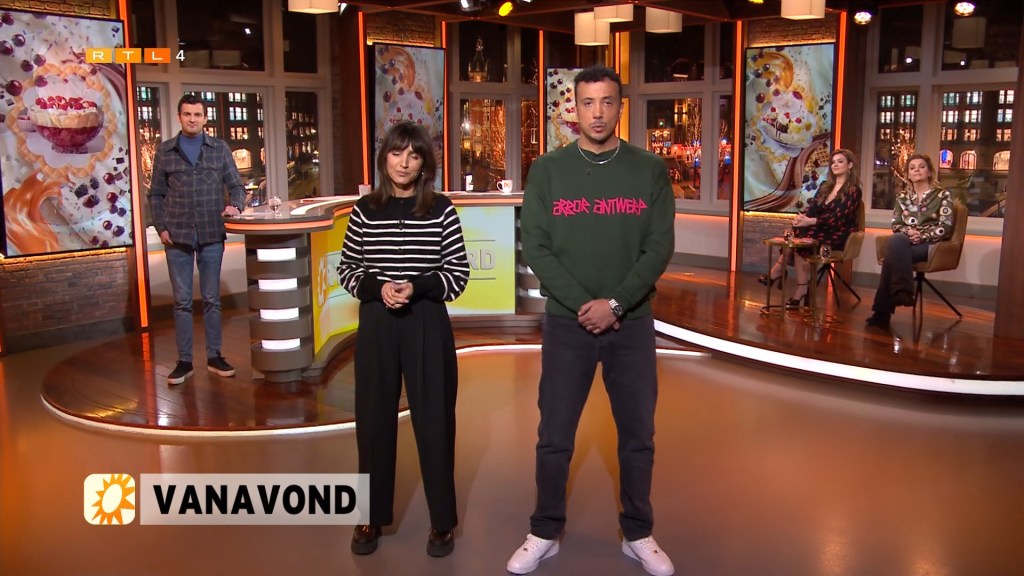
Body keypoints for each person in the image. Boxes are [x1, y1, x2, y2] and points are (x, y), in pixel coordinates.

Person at [506, 66, 676, 576]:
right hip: (567, 325)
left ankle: (638, 533)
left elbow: (659, 246)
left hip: (632, 324)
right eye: (587, 102)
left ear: (620, 106)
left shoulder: (649, 169)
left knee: (638, 436)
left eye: (606, 102)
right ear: (573, 108)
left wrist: (617, 304)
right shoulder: (547, 170)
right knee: (554, 435)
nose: (597, 113)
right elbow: (536, 247)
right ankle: (544, 530)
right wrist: (586, 304)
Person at [337, 121, 470, 558]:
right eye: (397, 153)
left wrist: (418, 286)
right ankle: (369, 516)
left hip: (426, 320)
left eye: (414, 155)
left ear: (424, 163)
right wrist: (379, 289)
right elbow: (348, 270)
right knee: (373, 420)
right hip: (377, 322)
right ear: (384, 158)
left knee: (435, 420)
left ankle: (442, 521)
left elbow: (457, 274)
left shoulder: (441, 209)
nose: (404, 163)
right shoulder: (364, 209)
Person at [149, 94, 244, 386]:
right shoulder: (165, 151)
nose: (192, 119)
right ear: (179, 117)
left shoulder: (219, 148)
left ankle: (215, 357)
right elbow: (155, 194)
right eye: (187, 114)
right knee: (182, 302)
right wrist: (161, 227)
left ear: (205, 118)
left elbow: (236, 186)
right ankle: (184, 361)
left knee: (212, 300)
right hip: (176, 236)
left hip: (211, 233)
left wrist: (236, 206)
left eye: (197, 114)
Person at [759, 148, 863, 307]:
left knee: (803, 239)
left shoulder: (854, 191)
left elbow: (838, 218)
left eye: (840, 162)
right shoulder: (825, 186)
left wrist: (811, 222)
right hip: (820, 229)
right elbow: (812, 208)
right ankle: (797, 287)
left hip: (839, 233)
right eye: (833, 162)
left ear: (849, 165)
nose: (835, 165)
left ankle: (779, 273)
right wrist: (800, 219)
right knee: (799, 235)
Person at [866, 153, 954, 327]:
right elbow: (896, 224)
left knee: (892, 256)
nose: (917, 170)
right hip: (906, 242)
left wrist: (923, 235)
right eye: (912, 168)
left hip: (931, 245)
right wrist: (909, 232)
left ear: (929, 172)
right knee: (898, 238)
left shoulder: (942, 195)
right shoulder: (903, 197)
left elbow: (946, 225)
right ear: (908, 174)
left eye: (921, 167)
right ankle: (902, 292)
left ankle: (885, 310)